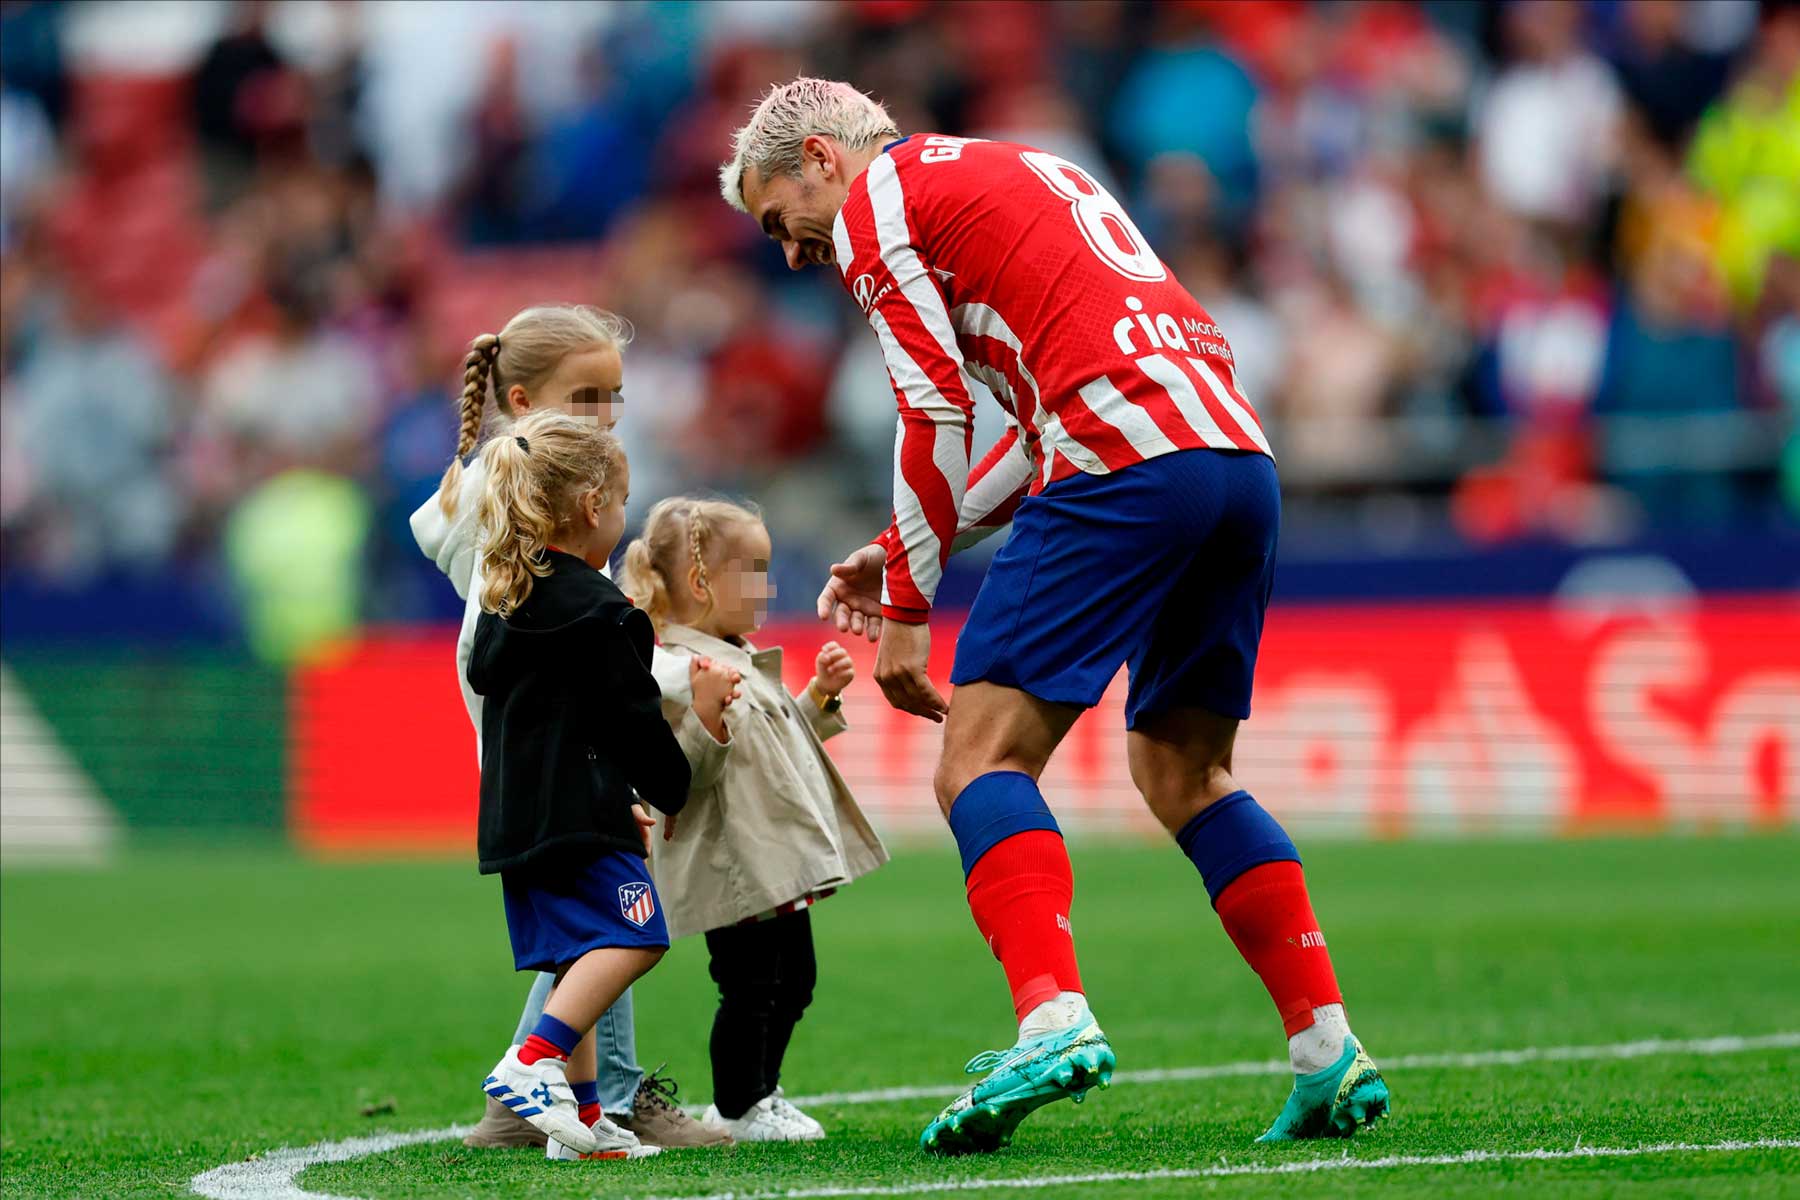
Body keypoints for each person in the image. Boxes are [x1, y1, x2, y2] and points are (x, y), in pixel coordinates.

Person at [718, 78, 1390, 1154]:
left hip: (1122, 465)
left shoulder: (877, 203)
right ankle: (1326, 1045)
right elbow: (1036, 424)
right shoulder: (1025, 169)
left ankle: (1051, 1019)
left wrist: (906, 607)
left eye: (777, 219)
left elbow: (933, 407)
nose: (795, 252)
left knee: (978, 761)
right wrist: (905, 549)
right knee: (1185, 770)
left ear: (819, 159)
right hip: (1234, 461)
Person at [409, 304, 732, 1151]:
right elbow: (576, 654)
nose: (603, 415)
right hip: (557, 747)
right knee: (613, 927)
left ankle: (586, 1105)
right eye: (583, 397)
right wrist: (668, 694)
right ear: (520, 400)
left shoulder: (513, 506)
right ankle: (556, 1084)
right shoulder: (524, 525)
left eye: (613, 397)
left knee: (583, 927)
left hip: (536, 749)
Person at [467, 411, 711, 1161]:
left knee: (575, 956)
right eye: (624, 501)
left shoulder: (506, 606)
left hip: (515, 825)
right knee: (634, 938)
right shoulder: (606, 616)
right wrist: (675, 774)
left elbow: (493, 687)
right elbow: (634, 725)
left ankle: (583, 1121)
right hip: (579, 820)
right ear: (594, 506)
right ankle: (534, 1059)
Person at [619, 498, 889, 1142]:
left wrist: (818, 699)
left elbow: (779, 739)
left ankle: (758, 1092)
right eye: (753, 570)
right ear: (700, 582)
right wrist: (706, 718)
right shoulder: (679, 673)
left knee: (795, 982)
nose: (767, 586)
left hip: (772, 861)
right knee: (752, 986)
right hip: (735, 863)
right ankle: (740, 1104)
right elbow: (677, 781)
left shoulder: (738, 656)